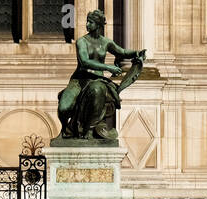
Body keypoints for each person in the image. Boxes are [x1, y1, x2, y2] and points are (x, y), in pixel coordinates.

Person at [57, 10, 145, 139]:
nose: (87, 24)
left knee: (98, 90)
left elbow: (123, 52)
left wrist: (136, 53)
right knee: (64, 108)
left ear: (98, 25)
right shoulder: (82, 41)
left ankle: (89, 129)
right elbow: (85, 62)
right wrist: (108, 67)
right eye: (87, 21)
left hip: (97, 80)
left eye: (90, 22)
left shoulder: (106, 42)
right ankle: (67, 130)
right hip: (79, 80)